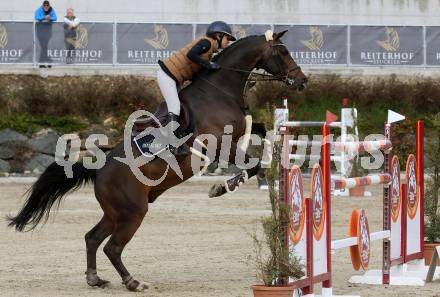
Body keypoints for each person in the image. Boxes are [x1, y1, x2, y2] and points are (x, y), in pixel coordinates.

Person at [157, 21, 236, 156]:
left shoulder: (210, 49)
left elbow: (194, 68)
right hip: (166, 75)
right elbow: (191, 55)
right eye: (227, 38)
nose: (227, 42)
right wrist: (208, 65)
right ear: (218, 35)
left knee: (181, 109)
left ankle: (174, 138)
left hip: (174, 78)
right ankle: (170, 144)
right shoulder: (206, 42)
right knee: (175, 108)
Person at [34, 1, 57, 67]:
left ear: (49, 6)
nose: (46, 6)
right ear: (42, 5)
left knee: (44, 47)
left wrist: (50, 18)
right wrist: (44, 17)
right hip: (40, 31)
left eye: (47, 5)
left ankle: (43, 63)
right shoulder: (39, 10)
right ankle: (47, 61)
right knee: (44, 47)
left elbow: (55, 18)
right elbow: (37, 17)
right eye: (45, 5)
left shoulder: (51, 10)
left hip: (48, 31)